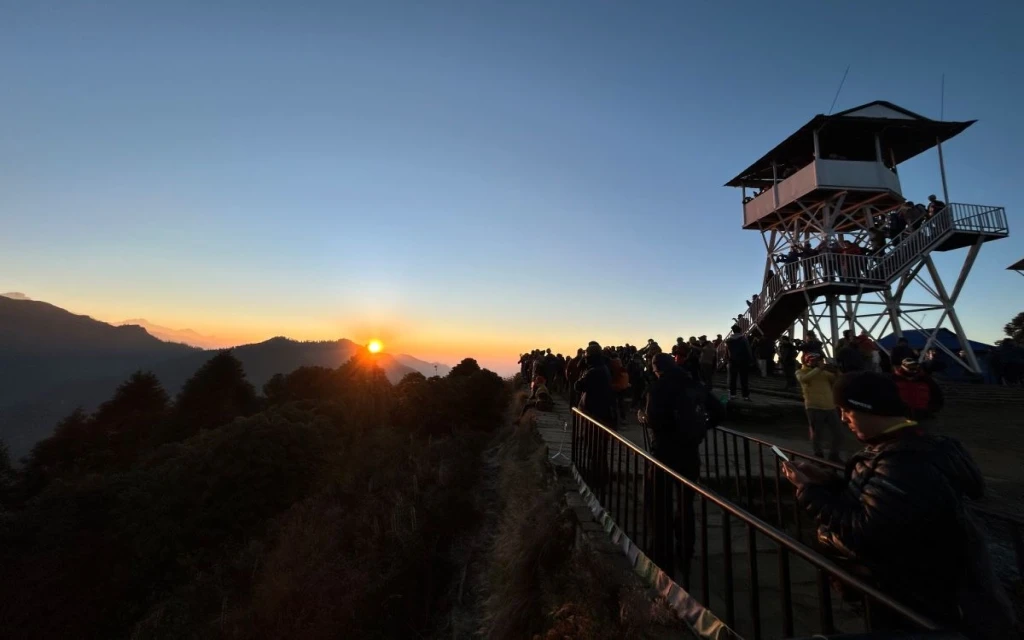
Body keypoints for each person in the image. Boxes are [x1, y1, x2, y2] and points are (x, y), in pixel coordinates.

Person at [782, 372, 1017, 638]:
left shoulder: (904, 463)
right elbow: (882, 502)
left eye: (847, 410)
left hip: (922, 601)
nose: (843, 418)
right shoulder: (904, 449)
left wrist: (810, 492)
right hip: (912, 592)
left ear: (869, 408)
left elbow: (866, 531)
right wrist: (829, 482)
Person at [641, 353, 724, 579]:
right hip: (690, 451)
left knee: (659, 502)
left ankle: (661, 552)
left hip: (665, 452)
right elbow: (719, 411)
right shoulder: (694, 384)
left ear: (657, 368)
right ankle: (686, 550)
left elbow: (654, 420)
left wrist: (645, 420)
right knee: (686, 503)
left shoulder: (658, 388)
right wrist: (702, 428)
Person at [795, 353, 842, 461]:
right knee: (817, 434)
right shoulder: (800, 372)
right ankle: (818, 455)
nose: (818, 363)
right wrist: (818, 369)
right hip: (814, 407)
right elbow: (804, 379)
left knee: (838, 433)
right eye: (815, 361)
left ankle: (834, 455)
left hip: (830, 406)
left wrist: (837, 371)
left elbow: (837, 381)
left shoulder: (824, 373)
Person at [725, 324, 753, 400]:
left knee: (733, 378)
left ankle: (732, 395)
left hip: (732, 361)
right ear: (740, 331)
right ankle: (745, 396)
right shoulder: (743, 339)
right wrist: (750, 360)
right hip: (743, 361)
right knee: (744, 379)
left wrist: (727, 359)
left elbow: (727, 351)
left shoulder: (729, 340)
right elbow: (748, 350)